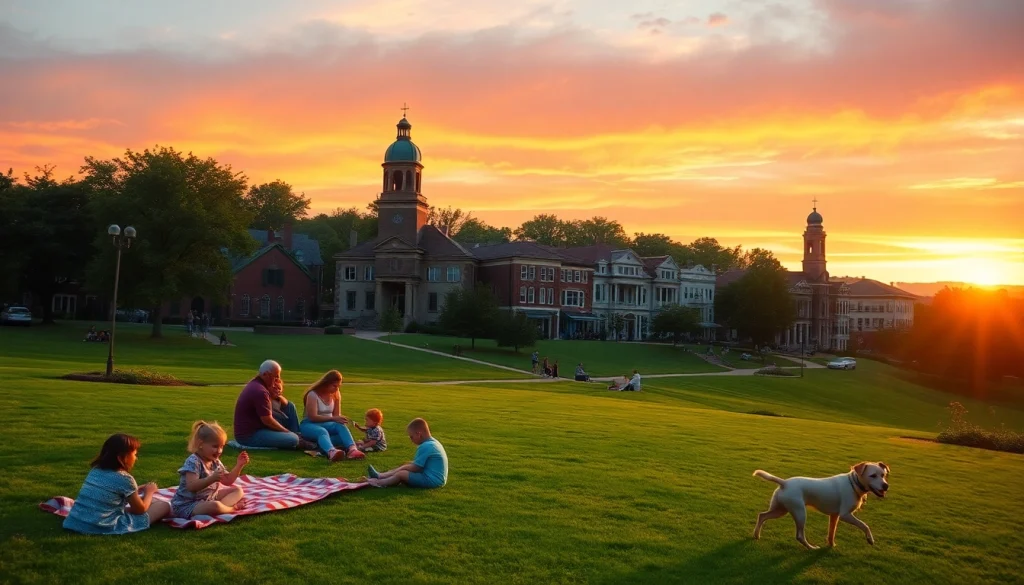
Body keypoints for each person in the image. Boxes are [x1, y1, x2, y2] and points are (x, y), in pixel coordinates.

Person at [63, 433, 170, 534]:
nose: (136, 458)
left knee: (140, 502)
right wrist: (150, 491)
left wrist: (137, 489)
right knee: (164, 505)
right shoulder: (124, 478)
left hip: (75, 522)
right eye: (134, 454)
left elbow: (112, 491)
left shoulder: (96, 470)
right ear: (121, 457)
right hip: (100, 526)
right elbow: (140, 510)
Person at [171, 421, 249, 518]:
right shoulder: (193, 461)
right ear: (201, 444)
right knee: (215, 505)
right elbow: (191, 486)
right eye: (215, 446)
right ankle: (231, 509)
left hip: (209, 498)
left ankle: (221, 508)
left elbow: (228, 480)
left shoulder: (215, 461)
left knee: (238, 490)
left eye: (222, 446)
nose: (219, 451)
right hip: (188, 504)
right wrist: (211, 479)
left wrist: (239, 465)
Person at [233, 360, 307, 450]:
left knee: (290, 406)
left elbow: (286, 405)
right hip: (249, 436)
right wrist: (287, 432)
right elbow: (267, 420)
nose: (276, 380)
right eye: (275, 377)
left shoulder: (258, 384)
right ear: (266, 374)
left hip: (259, 428)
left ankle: (299, 437)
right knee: (293, 439)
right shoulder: (260, 391)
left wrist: (277, 395)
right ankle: (298, 439)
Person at [299, 370, 364, 461]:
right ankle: (331, 451)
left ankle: (352, 450)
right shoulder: (313, 395)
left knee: (341, 428)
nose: (337, 389)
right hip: (309, 425)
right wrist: (333, 418)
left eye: (339, 386)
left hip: (327, 424)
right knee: (322, 432)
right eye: (334, 386)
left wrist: (343, 420)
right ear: (326, 383)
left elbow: (336, 416)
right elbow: (312, 417)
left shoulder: (336, 394)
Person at [365, 418, 447, 489]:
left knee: (402, 474)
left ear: (419, 434)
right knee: (406, 466)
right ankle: (383, 476)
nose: (411, 440)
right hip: (437, 479)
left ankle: (379, 482)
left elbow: (416, 468)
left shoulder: (426, 446)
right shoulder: (432, 442)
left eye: (412, 437)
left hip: (433, 481)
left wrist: (400, 469)